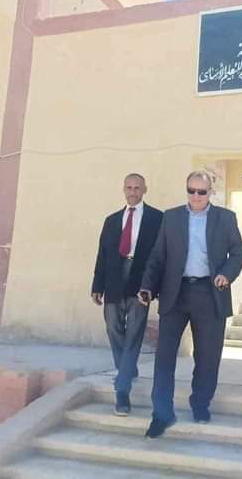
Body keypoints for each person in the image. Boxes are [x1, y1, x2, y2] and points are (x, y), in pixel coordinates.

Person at [138, 171, 242, 438]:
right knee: (164, 357)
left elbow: (238, 253)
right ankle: (161, 414)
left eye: (201, 192)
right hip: (175, 293)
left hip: (210, 293)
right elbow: (157, 257)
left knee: (207, 357)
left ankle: (200, 403)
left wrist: (226, 274)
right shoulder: (171, 217)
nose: (196, 196)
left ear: (211, 192)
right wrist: (147, 286)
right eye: (191, 190)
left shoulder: (225, 218)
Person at [91, 173, 163, 416]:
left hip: (141, 282)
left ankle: (122, 391)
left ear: (145, 190)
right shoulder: (112, 220)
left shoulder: (157, 218)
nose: (133, 192)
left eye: (137, 188)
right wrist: (97, 285)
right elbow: (102, 255)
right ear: (124, 189)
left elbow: (160, 256)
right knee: (113, 327)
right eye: (129, 188)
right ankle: (128, 369)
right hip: (113, 280)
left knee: (134, 332)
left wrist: (154, 287)